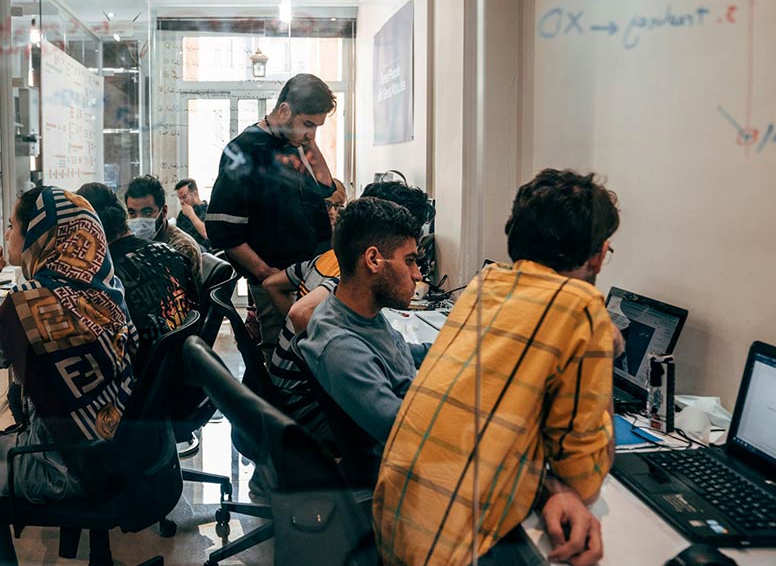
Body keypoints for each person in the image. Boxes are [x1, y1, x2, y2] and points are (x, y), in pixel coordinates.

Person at [375, 168, 618, 566]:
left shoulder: (486, 284)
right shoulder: (581, 307)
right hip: (449, 551)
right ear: (598, 254)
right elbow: (585, 479)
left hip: (395, 523)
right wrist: (604, 349)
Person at [0, 186, 138, 566]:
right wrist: (3, 327)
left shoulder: (27, 305)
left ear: (37, 236)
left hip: (62, 468)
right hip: (115, 452)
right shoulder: (105, 286)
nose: (6, 233)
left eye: (12, 226)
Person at [264, 182, 434, 441]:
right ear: (373, 260)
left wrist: (450, 350)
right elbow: (403, 430)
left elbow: (391, 351)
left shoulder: (359, 308)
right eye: (409, 261)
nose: (418, 275)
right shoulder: (341, 344)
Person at [206, 73, 338, 363]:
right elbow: (224, 230)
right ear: (284, 110)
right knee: (283, 357)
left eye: (317, 127)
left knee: (315, 358)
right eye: (309, 124)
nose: (312, 134)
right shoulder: (245, 150)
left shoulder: (294, 144)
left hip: (310, 275)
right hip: (278, 281)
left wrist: (306, 140)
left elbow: (326, 185)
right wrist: (267, 274)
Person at [78, 181, 197, 369]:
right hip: (183, 364)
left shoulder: (106, 277)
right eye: (132, 213)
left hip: (142, 373)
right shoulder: (171, 254)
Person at [125, 175, 202, 285]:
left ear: (164, 212)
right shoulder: (134, 241)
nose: (139, 220)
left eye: (147, 212)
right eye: (132, 213)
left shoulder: (182, 248)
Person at [174, 178, 211, 251]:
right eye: (179, 198)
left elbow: (207, 235)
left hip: (204, 251)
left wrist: (191, 215)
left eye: (184, 197)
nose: (181, 202)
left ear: (195, 193)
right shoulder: (182, 214)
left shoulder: (209, 210)